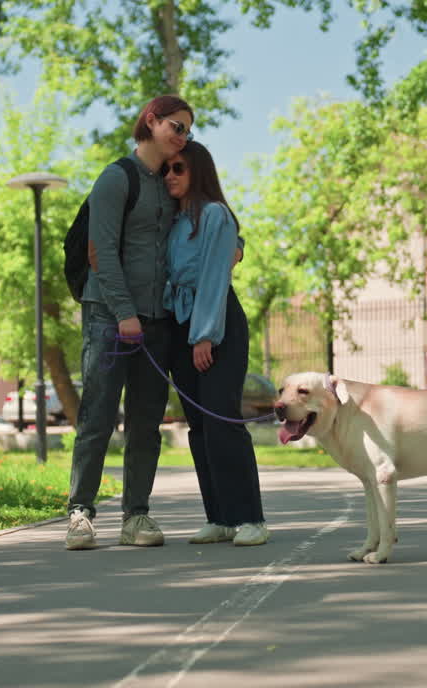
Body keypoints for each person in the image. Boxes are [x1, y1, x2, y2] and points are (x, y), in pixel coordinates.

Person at [65, 95, 194, 550]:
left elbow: (206, 217)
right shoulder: (116, 178)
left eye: (187, 131)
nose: (182, 137)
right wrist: (123, 314)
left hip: (157, 321)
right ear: (151, 122)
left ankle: (136, 516)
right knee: (97, 416)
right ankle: (80, 513)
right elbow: (100, 251)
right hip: (108, 316)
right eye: (176, 127)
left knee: (145, 423)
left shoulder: (174, 182)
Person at [161, 140, 269, 547]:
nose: (170, 175)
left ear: (198, 173)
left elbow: (212, 277)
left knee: (222, 419)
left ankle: (251, 518)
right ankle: (219, 517)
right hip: (179, 323)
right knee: (199, 426)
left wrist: (204, 334)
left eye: (179, 169)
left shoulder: (215, 216)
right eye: (167, 169)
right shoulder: (173, 222)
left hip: (215, 321)